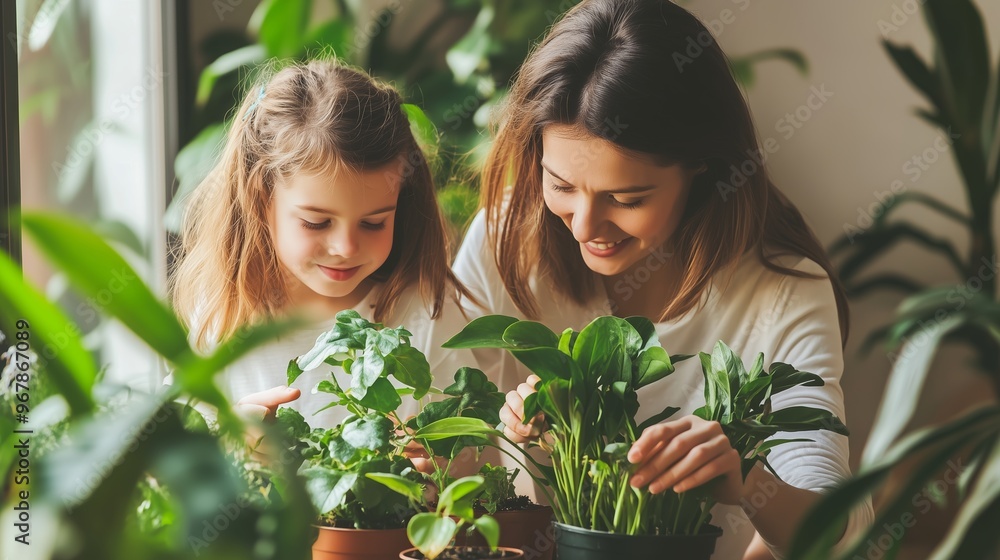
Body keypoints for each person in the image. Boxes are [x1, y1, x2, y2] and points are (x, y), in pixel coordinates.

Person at [452, 0, 873, 557]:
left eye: (627, 199)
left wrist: (746, 481)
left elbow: (832, 518)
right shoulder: (506, 239)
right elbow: (447, 447)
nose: (585, 225)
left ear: (702, 164)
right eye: (561, 185)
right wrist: (509, 434)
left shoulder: (783, 291)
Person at [171, 60, 473, 432]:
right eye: (317, 222)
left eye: (374, 222)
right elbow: (178, 457)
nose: (346, 247)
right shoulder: (224, 317)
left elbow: (476, 458)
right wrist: (234, 447)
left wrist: (438, 468)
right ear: (260, 198)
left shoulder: (425, 313)